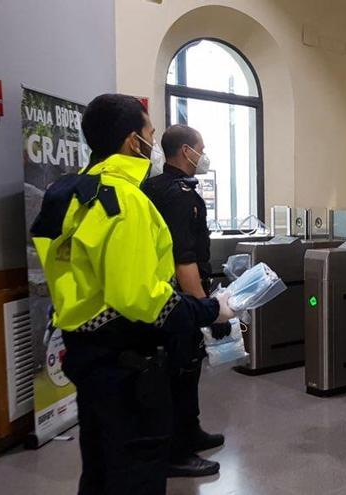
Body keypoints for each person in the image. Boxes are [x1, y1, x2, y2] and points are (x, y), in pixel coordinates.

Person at [30, 94, 234, 495]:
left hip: (85, 351)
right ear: (131, 141)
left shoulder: (66, 194)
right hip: (128, 363)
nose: (152, 143)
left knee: (101, 468)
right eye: (149, 134)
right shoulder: (124, 199)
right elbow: (142, 299)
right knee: (136, 471)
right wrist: (210, 310)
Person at [141, 125, 226, 478]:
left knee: (188, 369)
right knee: (181, 369)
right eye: (201, 149)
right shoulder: (177, 194)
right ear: (186, 151)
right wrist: (208, 308)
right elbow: (183, 258)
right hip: (178, 295)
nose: (203, 156)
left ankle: (190, 431)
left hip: (165, 295)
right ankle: (177, 451)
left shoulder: (154, 186)